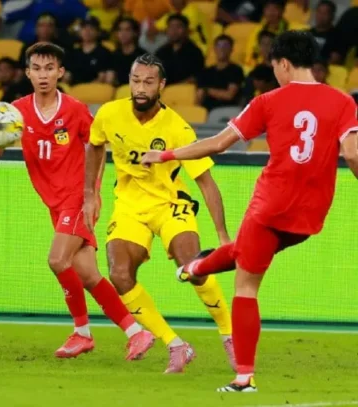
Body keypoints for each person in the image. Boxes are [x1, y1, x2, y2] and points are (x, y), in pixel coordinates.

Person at [140, 30, 358, 392]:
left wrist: (166, 155)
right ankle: (195, 267)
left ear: (283, 63)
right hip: (311, 213)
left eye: (274, 67)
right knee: (248, 251)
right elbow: (351, 154)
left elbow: (219, 144)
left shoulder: (267, 101)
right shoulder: (343, 101)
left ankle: (243, 377)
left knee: (245, 285)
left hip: (270, 205)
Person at [0, 42, 156, 360]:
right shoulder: (17, 111)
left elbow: (98, 147)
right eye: (37, 69)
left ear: (60, 72)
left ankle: (81, 333)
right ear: (27, 73)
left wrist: (92, 195)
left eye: (49, 68)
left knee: (56, 260)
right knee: (88, 275)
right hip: (54, 203)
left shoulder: (75, 110)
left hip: (76, 198)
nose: (43, 75)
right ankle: (137, 333)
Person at [83, 53, 236, 374]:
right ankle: (175, 344)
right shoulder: (110, 114)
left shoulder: (176, 127)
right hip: (129, 206)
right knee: (119, 274)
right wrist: (90, 193)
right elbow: (95, 144)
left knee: (193, 266)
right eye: (135, 80)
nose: (140, 88)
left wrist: (223, 235)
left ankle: (229, 334)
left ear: (161, 85)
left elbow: (206, 183)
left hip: (170, 204)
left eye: (148, 82)